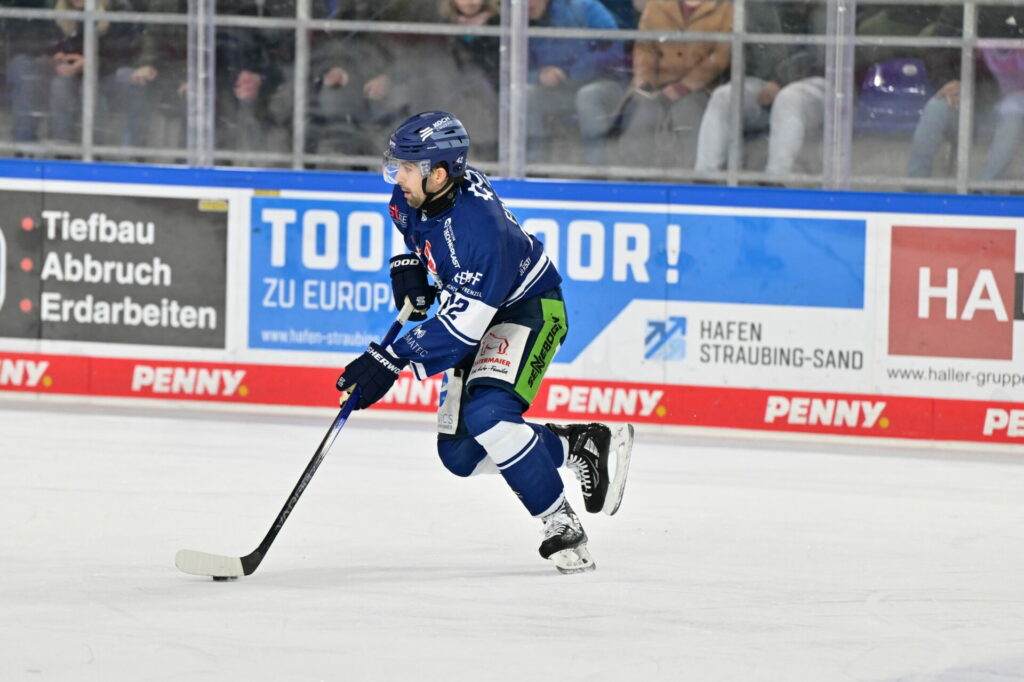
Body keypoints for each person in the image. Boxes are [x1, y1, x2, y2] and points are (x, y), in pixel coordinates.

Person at [335, 111, 635, 574]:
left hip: (529, 309)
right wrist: (409, 267)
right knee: (460, 455)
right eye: (397, 165)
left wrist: (390, 358)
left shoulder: (481, 231)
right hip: (480, 309)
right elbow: (418, 236)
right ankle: (579, 444)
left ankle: (559, 522)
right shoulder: (415, 194)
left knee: (490, 415)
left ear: (439, 174)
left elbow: (461, 331)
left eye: (407, 168)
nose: (398, 178)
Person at [906, 5, 1024, 184]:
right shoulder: (958, 8)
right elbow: (937, 50)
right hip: (972, 94)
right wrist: (947, 81)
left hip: (1012, 99)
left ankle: (984, 189)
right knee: (936, 108)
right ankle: (915, 187)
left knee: (1013, 115)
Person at [616, 0, 732, 169]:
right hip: (656, 85)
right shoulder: (656, 5)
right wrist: (645, 82)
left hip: (703, 88)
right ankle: (633, 177)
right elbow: (644, 48)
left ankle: (691, 178)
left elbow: (721, 57)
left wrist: (685, 86)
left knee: (688, 112)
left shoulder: (727, 8)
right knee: (644, 111)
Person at [526, 0, 626, 165]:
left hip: (604, 84)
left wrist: (570, 73)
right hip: (557, 92)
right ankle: (533, 167)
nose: (527, 4)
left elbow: (613, 49)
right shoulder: (517, 22)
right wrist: (539, 76)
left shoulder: (585, 8)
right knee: (525, 95)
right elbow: (511, 68)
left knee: (588, 96)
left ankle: (595, 170)